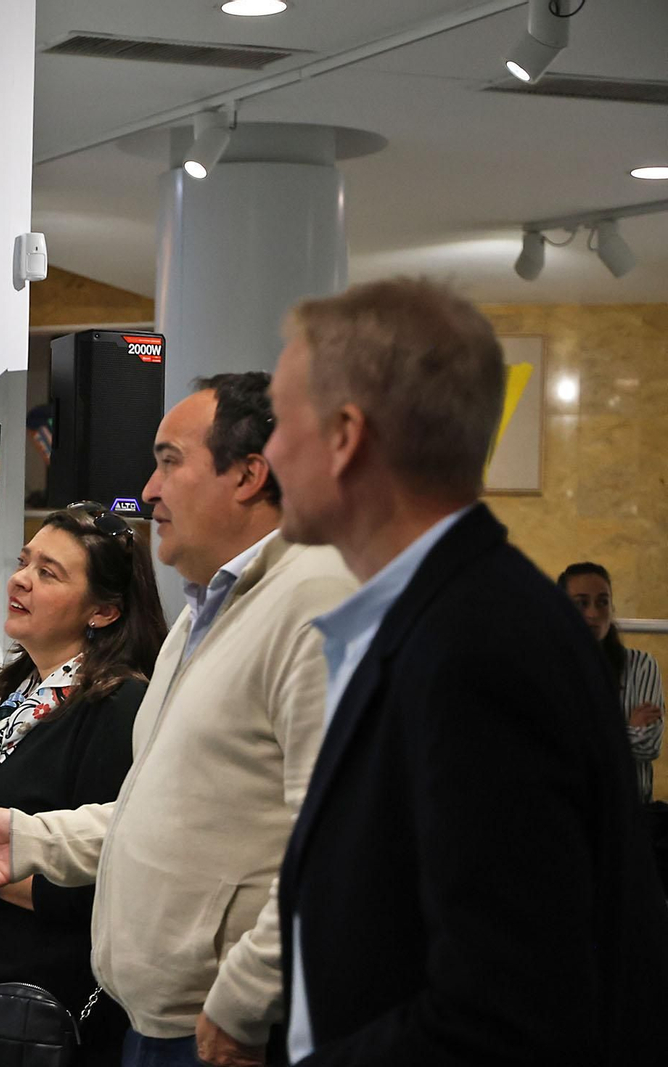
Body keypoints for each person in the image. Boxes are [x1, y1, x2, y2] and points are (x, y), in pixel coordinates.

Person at [260, 277, 668, 1064]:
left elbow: (503, 1015)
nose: (270, 449)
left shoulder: (478, 645)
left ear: (346, 435)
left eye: (280, 420)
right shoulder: (447, 615)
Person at [0, 373, 355, 1067]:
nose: (148, 490)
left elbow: (339, 844)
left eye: (169, 461)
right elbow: (153, 810)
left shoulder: (315, 603)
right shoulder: (202, 616)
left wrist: (242, 999)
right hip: (162, 1020)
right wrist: (26, 839)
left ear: (248, 474)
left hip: (227, 1028)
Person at [0, 502, 167, 1067]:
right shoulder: (20, 701)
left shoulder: (119, 706)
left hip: (56, 1011)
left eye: (49, 572)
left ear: (102, 612)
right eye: (25, 562)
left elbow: (110, 882)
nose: (20, 578)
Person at [559, 562, 664, 803]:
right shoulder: (547, 668)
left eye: (602, 601)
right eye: (581, 603)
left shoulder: (641, 665)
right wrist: (628, 729)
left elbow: (649, 745)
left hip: (629, 812)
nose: (594, 613)